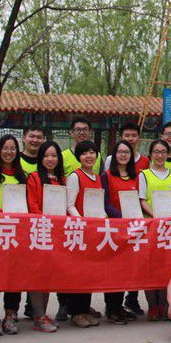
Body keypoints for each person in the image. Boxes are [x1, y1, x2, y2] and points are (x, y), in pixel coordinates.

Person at [0, 134, 27, 335]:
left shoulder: (22, 176)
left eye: (12, 148)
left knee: (15, 277)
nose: (9, 152)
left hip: (17, 232)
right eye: (5, 148)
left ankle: (10, 315)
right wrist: (4, 215)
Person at [25, 140, 68, 333]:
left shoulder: (62, 180)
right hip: (40, 230)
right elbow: (32, 204)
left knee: (49, 275)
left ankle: (42, 315)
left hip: (57, 233)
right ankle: (38, 315)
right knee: (38, 275)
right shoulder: (34, 177)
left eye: (54, 155)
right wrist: (45, 221)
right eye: (46, 156)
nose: (50, 159)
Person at [140, 139, 171, 320]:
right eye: (156, 152)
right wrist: (156, 214)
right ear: (151, 154)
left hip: (170, 227)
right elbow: (142, 199)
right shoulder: (144, 175)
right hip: (151, 225)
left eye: (163, 152)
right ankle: (152, 306)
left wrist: (169, 212)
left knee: (169, 266)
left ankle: (166, 305)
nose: (159, 155)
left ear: (168, 154)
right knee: (151, 267)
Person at [64, 140, 104, 329]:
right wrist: (82, 222)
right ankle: (76, 313)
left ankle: (85, 309)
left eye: (92, 152)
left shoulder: (97, 177)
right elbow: (70, 205)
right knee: (77, 273)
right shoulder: (75, 176)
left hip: (94, 231)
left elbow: (99, 204)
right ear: (78, 157)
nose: (89, 156)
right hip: (80, 231)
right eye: (84, 153)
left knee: (89, 272)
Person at [102, 140, 140, 323]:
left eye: (127, 152)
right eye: (120, 152)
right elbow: (106, 202)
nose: (123, 155)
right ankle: (111, 308)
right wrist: (121, 217)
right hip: (115, 227)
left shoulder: (136, 176)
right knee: (113, 270)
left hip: (132, 229)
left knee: (127, 269)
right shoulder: (107, 176)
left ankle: (120, 307)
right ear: (114, 155)